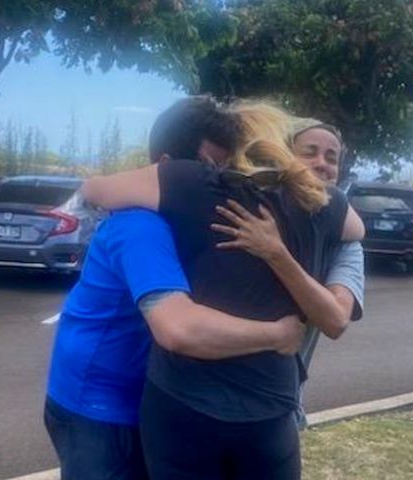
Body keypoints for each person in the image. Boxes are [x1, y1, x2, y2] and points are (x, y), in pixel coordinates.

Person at [81, 100, 364, 479]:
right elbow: (356, 232)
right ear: (286, 146)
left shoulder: (196, 183)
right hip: (270, 407)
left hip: (182, 402)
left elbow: (96, 190)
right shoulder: (326, 205)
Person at [43, 96, 306, 480]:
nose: (224, 186)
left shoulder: (184, 221)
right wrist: (278, 334)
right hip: (98, 407)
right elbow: (179, 329)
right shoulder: (141, 226)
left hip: (141, 396)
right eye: (211, 172)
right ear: (168, 169)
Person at [210, 111, 365, 427]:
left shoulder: (347, 243)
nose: (322, 163)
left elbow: (335, 320)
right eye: (309, 153)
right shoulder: (247, 212)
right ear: (283, 157)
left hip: (280, 404)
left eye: (331, 157)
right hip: (206, 400)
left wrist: (275, 252)